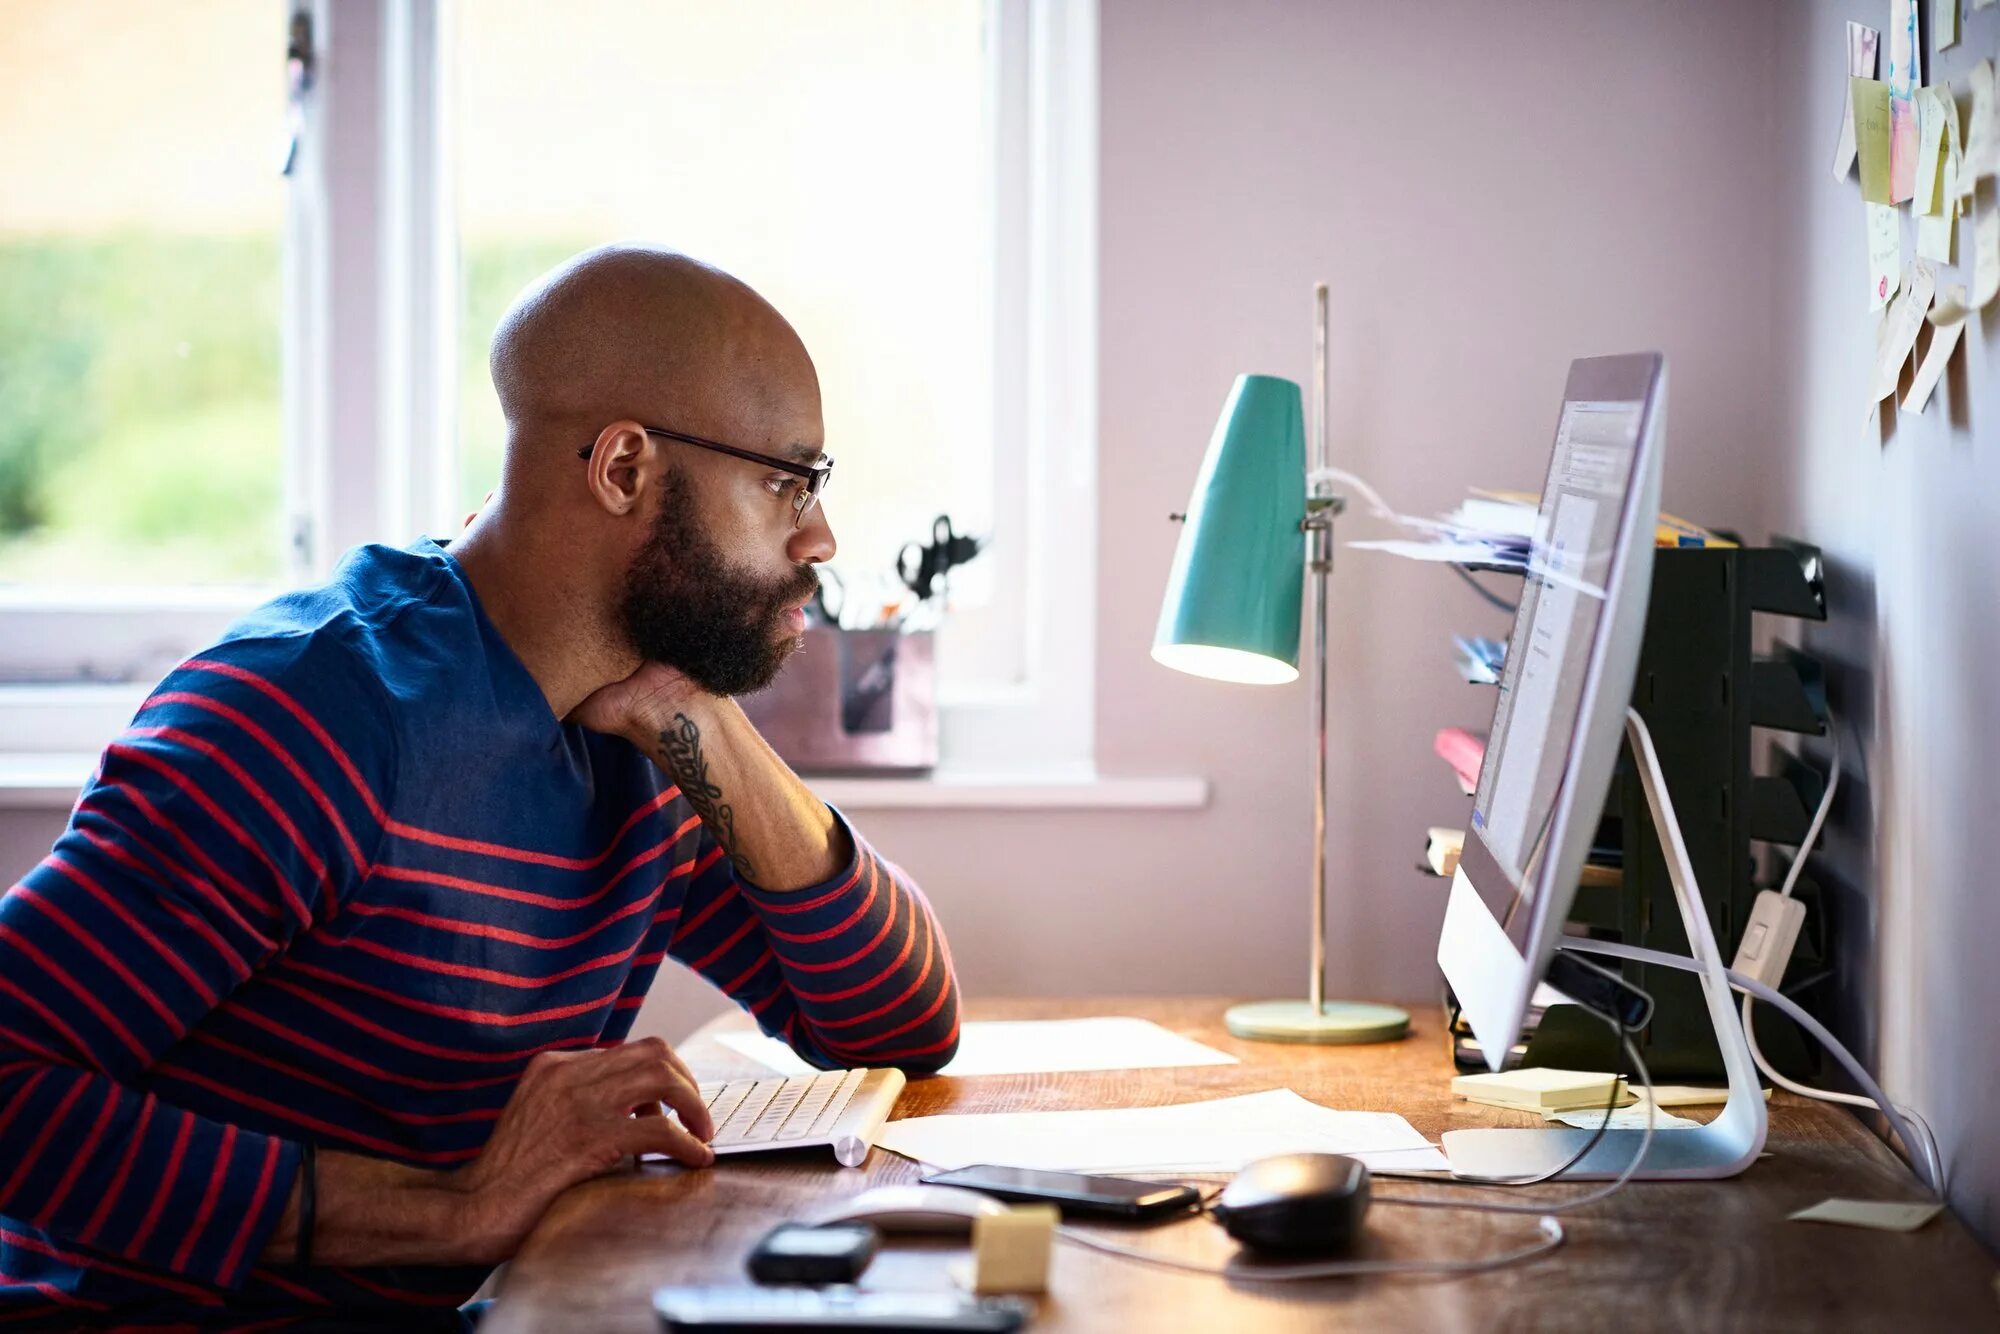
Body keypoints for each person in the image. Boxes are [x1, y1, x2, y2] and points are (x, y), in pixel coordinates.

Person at [0, 246, 961, 1325]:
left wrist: (702, 723)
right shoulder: (309, 717)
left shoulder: (636, 725)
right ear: (623, 470)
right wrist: (452, 1210)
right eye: (788, 482)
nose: (820, 536)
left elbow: (900, 1028)